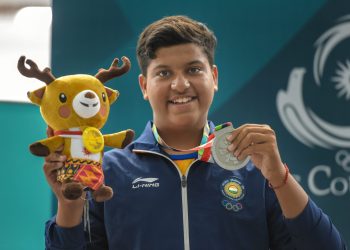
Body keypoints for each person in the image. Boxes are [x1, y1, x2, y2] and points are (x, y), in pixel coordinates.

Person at [44, 15, 347, 249]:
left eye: (193, 69)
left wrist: (279, 177)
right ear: (143, 86)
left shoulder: (253, 168)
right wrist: (69, 207)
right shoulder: (108, 171)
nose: (180, 84)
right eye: (164, 73)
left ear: (213, 77)